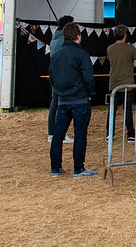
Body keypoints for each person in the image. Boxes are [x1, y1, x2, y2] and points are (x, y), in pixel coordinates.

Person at [49, 22, 97, 178]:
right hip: (79, 100)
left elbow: (52, 77)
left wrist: (59, 91)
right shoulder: (82, 54)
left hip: (62, 100)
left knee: (58, 135)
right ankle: (78, 168)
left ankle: (55, 168)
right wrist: (91, 93)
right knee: (80, 134)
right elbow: (88, 77)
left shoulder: (56, 55)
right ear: (78, 36)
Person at [106, 25, 136, 142]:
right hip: (127, 83)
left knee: (112, 110)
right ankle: (130, 134)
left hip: (114, 83)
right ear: (125, 35)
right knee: (128, 110)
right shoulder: (130, 49)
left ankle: (109, 134)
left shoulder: (110, 48)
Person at [48, 15, 74, 143]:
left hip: (55, 75)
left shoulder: (54, 39)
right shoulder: (63, 41)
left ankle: (52, 133)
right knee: (61, 105)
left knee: (54, 104)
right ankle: (60, 134)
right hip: (63, 76)